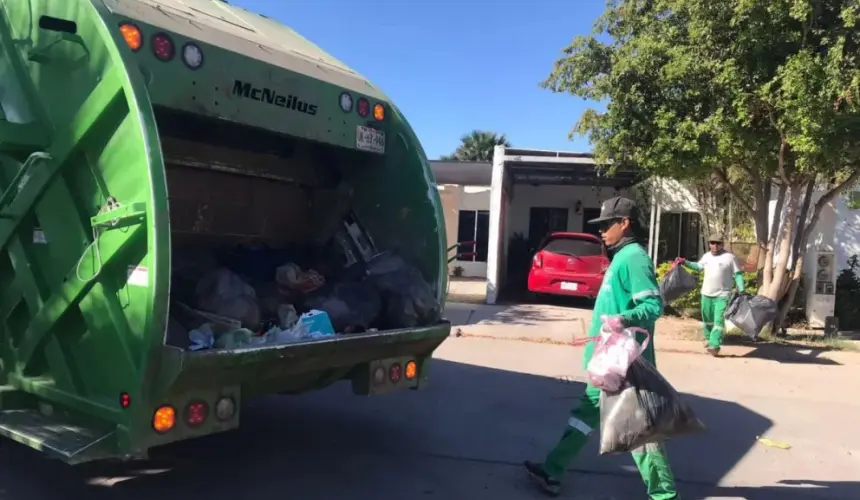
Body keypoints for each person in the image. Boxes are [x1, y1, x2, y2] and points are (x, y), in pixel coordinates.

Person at [524, 196, 679, 499]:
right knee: (585, 413)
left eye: (608, 224)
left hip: (626, 364)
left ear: (625, 224)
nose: (602, 231)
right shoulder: (620, 257)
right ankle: (552, 470)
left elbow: (652, 305)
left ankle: (666, 496)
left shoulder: (634, 258)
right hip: (606, 361)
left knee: (639, 432)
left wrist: (625, 318)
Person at [674, 234, 744, 356]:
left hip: (723, 294)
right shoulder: (706, 257)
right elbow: (698, 267)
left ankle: (715, 345)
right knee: (707, 319)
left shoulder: (730, 258)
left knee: (718, 320)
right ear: (709, 244)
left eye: (717, 243)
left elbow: (738, 274)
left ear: (722, 244)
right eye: (712, 243)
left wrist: (741, 289)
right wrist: (684, 262)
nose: (715, 246)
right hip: (706, 293)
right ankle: (708, 339)